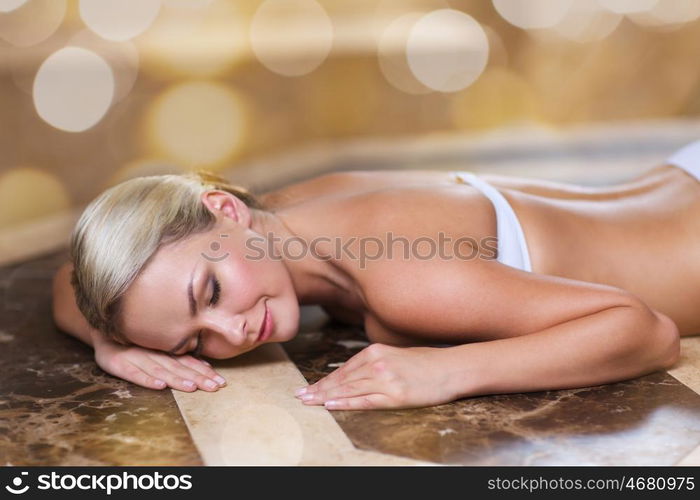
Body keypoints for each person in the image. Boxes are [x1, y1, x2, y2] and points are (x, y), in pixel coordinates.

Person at [53, 140, 700, 410]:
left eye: (212, 293)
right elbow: (70, 278)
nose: (234, 331)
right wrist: (114, 341)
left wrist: (448, 371)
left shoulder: (401, 275)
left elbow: (645, 331)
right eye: (196, 342)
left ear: (225, 212)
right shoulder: (281, 215)